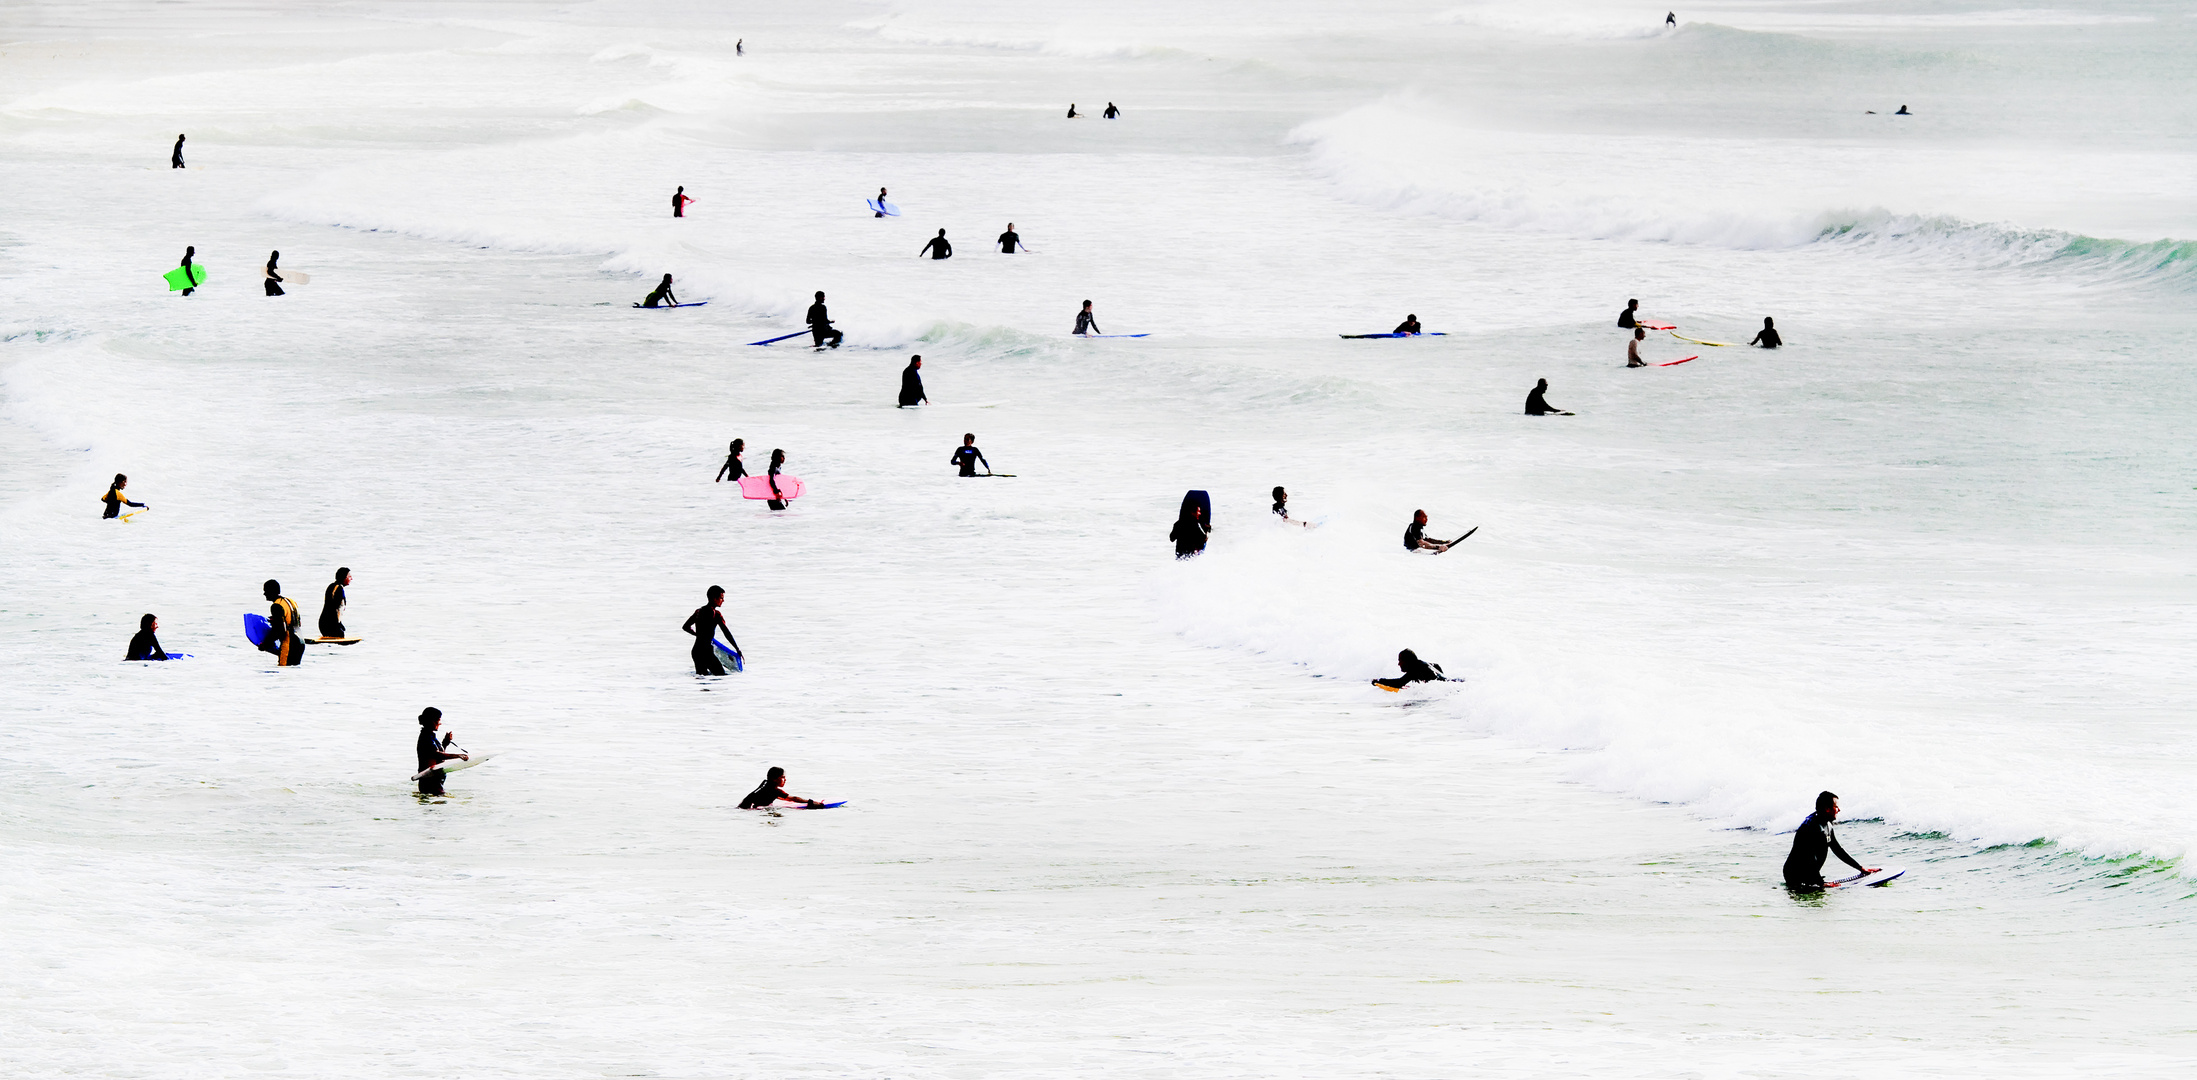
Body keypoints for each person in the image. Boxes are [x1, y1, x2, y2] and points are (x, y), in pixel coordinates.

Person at [1783, 791, 1875, 889]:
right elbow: (1808, 856)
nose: (1839, 810)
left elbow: (1837, 849)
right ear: (1827, 809)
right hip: (1794, 876)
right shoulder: (1810, 827)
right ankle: (1812, 881)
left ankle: (1812, 880)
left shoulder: (1827, 825)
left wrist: (1860, 868)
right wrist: (1820, 882)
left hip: (1809, 874)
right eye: (1836, 807)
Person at [682, 585, 741, 676]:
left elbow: (685, 627)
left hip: (696, 651)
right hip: (706, 652)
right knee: (721, 676)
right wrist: (737, 649)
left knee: (702, 679)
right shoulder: (716, 615)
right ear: (714, 598)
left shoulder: (699, 611)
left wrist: (697, 634)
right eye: (721, 598)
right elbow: (726, 632)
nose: (723, 600)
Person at [415, 707, 467, 796]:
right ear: (432, 721)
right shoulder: (425, 737)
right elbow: (436, 755)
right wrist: (457, 755)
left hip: (435, 782)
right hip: (430, 782)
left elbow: (435, 755)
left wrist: (445, 743)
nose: (440, 723)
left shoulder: (430, 737)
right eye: (438, 720)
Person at [261, 579, 305, 666]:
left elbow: (279, 630)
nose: (264, 594)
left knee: (284, 672)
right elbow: (294, 621)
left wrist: (266, 644)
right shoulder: (290, 601)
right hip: (300, 641)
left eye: (266, 591)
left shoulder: (276, 606)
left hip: (290, 644)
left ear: (271, 591)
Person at [739, 766, 824, 809]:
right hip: (749, 810)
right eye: (783, 777)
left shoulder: (765, 784)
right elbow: (793, 798)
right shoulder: (774, 790)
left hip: (742, 807)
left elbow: (780, 797)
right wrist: (812, 802)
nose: (785, 779)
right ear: (775, 779)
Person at [1372, 648, 1445, 690]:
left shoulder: (1416, 669)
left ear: (1408, 661)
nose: (1399, 664)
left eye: (1400, 661)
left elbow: (1399, 683)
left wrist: (1379, 681)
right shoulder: (1431, 665)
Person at [319, 568, 351, 638]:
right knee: (340, 635)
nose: (351, 579)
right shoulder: (338, 589)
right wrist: (337, 625)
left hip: (324, 623)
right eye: (349, 576)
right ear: (344, 577)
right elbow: (335, 608)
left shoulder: (332, 586)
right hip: (329, 624)